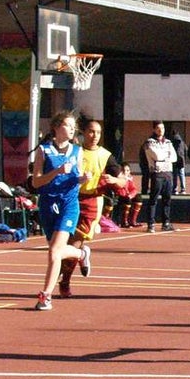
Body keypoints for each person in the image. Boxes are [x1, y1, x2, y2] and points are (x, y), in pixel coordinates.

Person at [30, 111, 92, 310]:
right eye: (68, 124)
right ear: (56, 127)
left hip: (69, 203)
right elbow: (36, 181)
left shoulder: (77, 151)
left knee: (54, 250)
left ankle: (46, 295)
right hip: (48, 203)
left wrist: (85, 179)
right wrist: (56, 172)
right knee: (55, 251)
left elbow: (78, 177)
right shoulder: (44, 150)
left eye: (74, 126)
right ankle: (81, 255)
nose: (72, 128)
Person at [57, 118, 126, 299]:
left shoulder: (105, 156)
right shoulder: (74, 151)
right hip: (70, 198)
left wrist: (115, 181)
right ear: (83, 132)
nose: (94, 136)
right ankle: (81, 255)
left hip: (92, 202)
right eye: (91, 131)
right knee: (60, 242)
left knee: (74, 242)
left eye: (98, 132)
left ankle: (65, 282)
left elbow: (123, 180)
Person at [143, 120, 177, 232]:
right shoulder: (149, 142)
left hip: (168, 173)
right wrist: (166, 155)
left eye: (162, 128)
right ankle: (151, 224)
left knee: (167, 200)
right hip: (157, 174)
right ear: (154, 129)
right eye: (158, 128)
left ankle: (166, 223)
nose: (161, 130)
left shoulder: (168, 142)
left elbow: (174, 157)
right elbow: (156, 156)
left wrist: (165, 156)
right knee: (153, 199)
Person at [115, 163, 142, 228]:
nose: (126, 172)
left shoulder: (129, 178)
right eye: (124, 170)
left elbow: (133, 189)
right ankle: (124, 222)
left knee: (138, 198)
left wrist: (131, 195)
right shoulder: (117, 178)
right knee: (127, 200)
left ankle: (132, 221)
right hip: (120, 195)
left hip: (128, 195)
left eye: (128, 170)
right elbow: (117, 189)